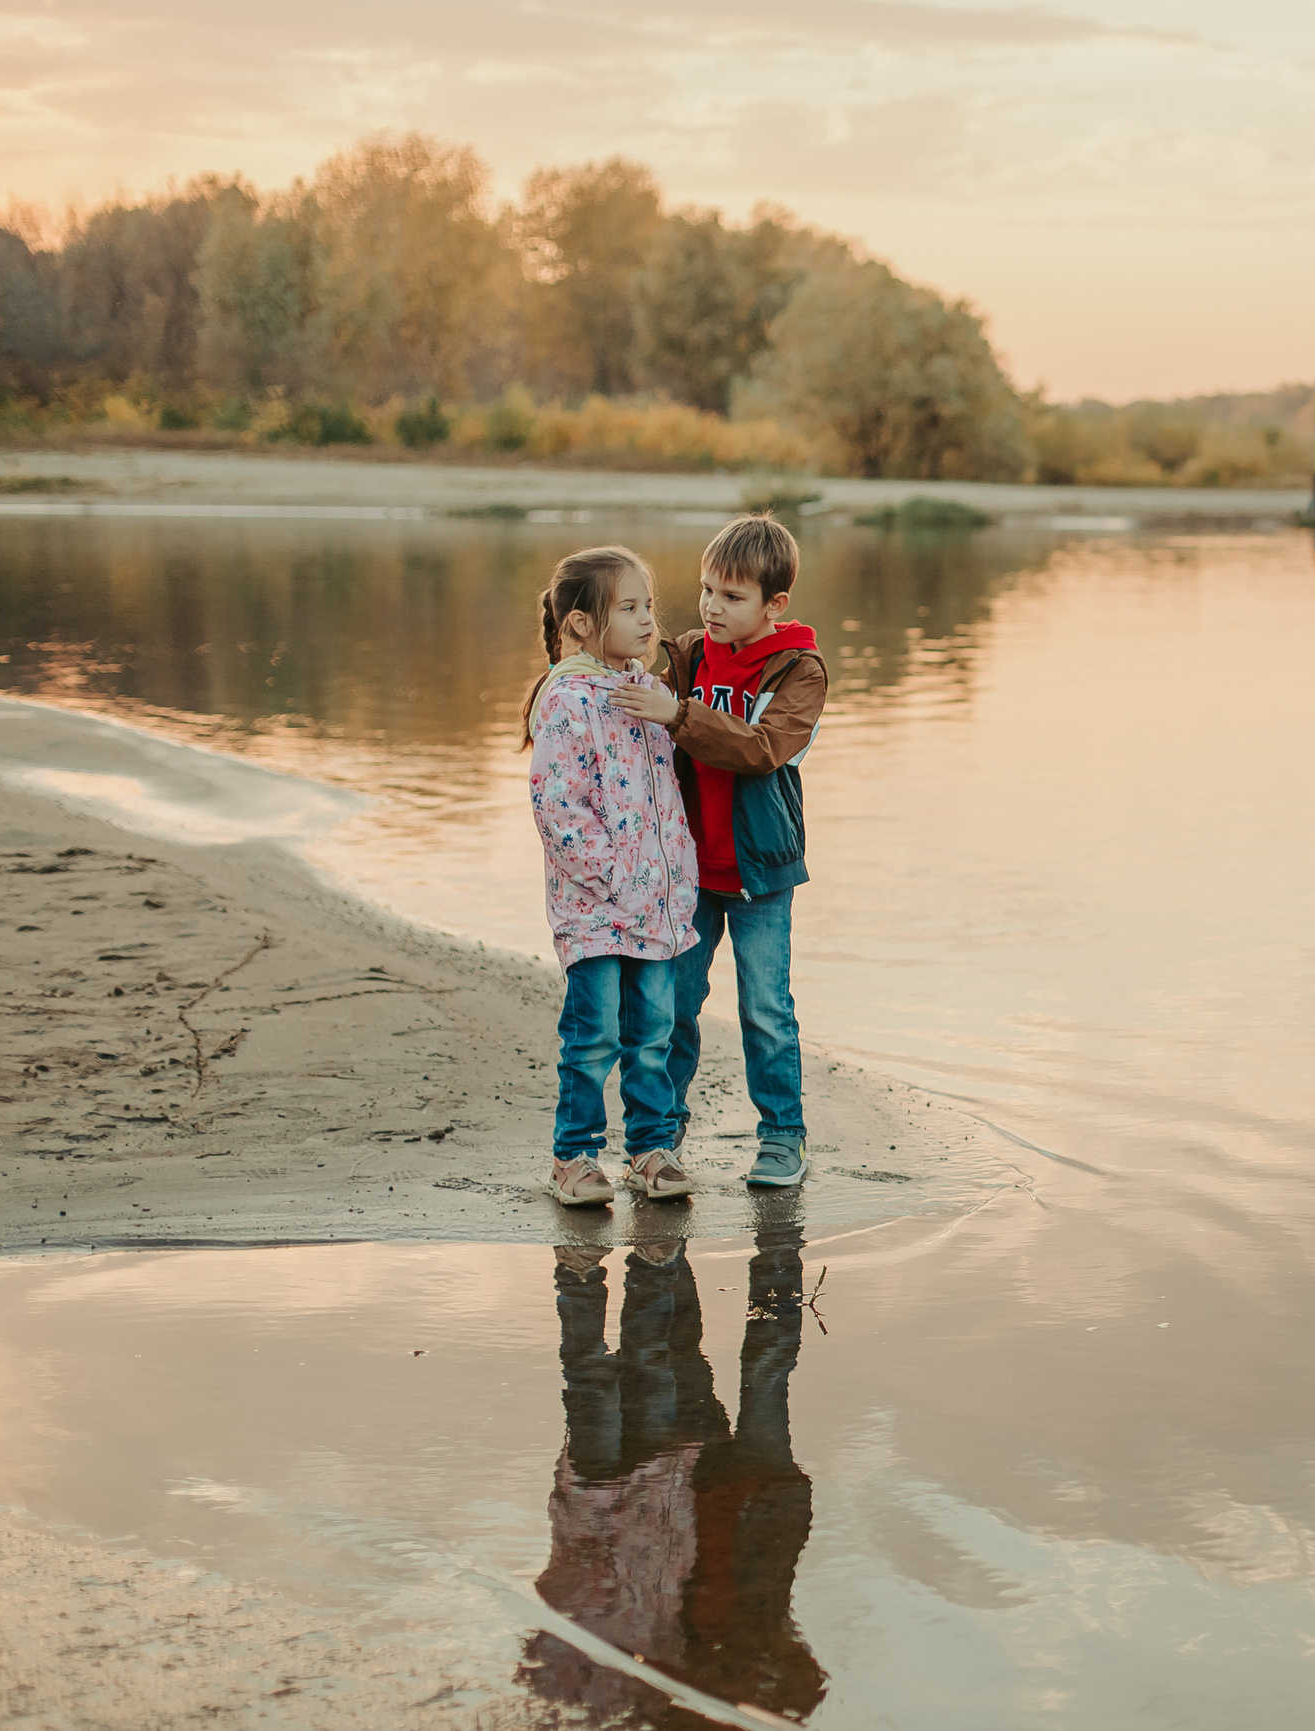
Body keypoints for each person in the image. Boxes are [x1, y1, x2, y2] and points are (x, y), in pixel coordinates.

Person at [524, 1228, 825, 1721]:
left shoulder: (671, 1661)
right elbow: (803, 1680)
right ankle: (714, 1254)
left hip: (681, 1496)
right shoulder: (707, 1655)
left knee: (664, 1363)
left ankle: (658, 1259)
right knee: (739, 1361)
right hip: (722, 1496)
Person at [614, 515, 826, 1190]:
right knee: (672, 1002)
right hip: (689, 872)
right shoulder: (689, 655)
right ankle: (661, 1133)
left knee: (765, 1009)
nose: (711, 606)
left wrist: (677, 715)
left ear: (774, 605)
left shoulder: (799, 670)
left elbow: (762, 749)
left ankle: (783, 1137)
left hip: (760, 875)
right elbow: (620, 677)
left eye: (731, 597)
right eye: (707, 590)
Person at [525, 547, 701, 1208]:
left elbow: (665, 794)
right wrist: (611, 876)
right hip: (596, 907)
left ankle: (651, 1149)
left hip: (655, 902)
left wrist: (672, 875)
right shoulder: (569, 699)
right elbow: (556, 801)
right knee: (593, 1032)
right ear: (579, 625)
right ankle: (573, 1156)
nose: (647, 620)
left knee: (653, 1030)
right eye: (629, 608)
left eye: (648, 606)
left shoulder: (648, 694)